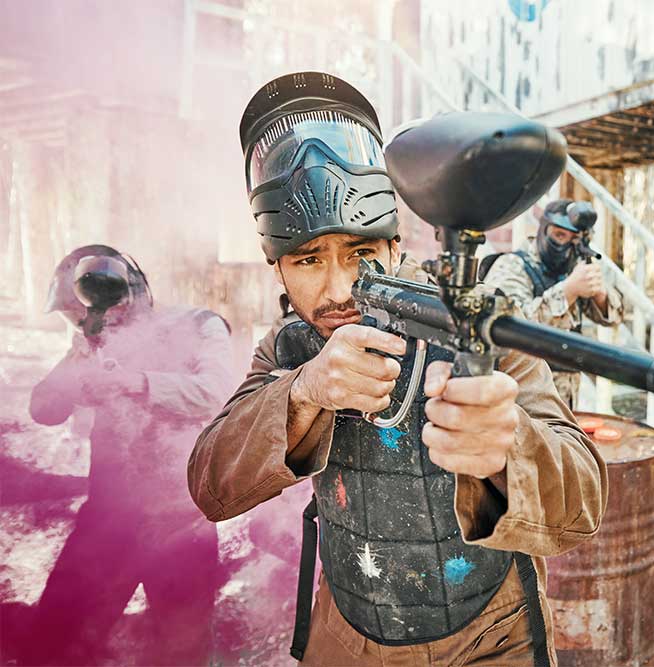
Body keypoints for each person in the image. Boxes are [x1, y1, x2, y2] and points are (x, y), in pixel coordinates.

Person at [187, 71, 608, 667]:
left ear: (392, 247)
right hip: (349, 629)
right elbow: (210, 484)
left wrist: (508, 446)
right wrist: (304, 393)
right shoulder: (288, 349)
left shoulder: (474, 327)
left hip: (489, 631)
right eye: (308, 260)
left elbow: (584, 504)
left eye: (360, 253)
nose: (339, 290)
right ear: (276, 269)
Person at [24, 244, 233, 666]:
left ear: (133, 294)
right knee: (52, 645)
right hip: (107, 519)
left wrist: (135, 382)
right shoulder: (94, 341)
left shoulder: (197, 326)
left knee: (180, 654)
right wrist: (79, 360)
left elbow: (218, 393)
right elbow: (42, 408)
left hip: (181, 524)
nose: (98, 319)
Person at [482, 199, 623, 407]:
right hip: (522, 393)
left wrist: (599, 293)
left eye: (575, 239)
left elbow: (614, 316)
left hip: (566, 394)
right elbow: (509, 328)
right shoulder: (512, 266)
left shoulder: (572, 268)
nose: (566, 245)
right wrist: (568, 291)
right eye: (559, 235)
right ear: (543, 230)